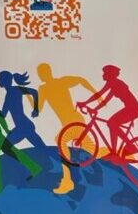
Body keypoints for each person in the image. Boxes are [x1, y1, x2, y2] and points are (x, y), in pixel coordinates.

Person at [33, 63, 96, 195]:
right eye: (40, 74)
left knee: (61, 141)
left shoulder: (51, 86)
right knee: (90, 149)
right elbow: (38, 109)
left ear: (47, 72)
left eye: (41, 73)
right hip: (72, 121)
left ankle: (67, 181)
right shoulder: (49, 87)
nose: (41, 76)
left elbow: (37, 109)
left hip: (73, 121)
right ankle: (118, 153)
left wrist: (96, 94)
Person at [76, 65, 138, 157]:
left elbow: (99, 94)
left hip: (133, 109)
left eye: (105, 73)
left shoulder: (114, 83)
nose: (103, 75)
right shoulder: (114, 85)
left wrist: (85, 103)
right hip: (132, 108)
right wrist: (95, 109)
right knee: (112, 124)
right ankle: (114, 152)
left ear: (110, 74)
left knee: (112, 123)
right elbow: (105, 101)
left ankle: (131, 146)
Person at [0, 71, 50, 170]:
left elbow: (34, 92)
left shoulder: (13, 91)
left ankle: (31, 167)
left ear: (5, 81)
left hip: (23, 127)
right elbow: (3, 115)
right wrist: (35, 109)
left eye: (0, 79)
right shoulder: (11, 92)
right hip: (23, 126)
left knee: (5, 147)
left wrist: (36, 109)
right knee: (42, 148)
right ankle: (38, 166)